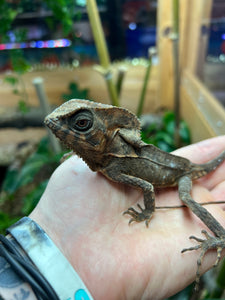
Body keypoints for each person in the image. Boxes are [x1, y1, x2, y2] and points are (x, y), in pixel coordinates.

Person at [1, 136, 225, 300]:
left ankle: (221, 236)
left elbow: (147, 184)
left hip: (183, 173)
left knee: (187, 197)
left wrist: (147, 212)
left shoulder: (116, 165)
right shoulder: (106, 162)